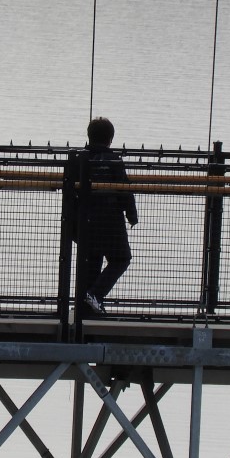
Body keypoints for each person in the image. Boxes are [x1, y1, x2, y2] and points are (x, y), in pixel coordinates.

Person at [79, 117, 138, 317]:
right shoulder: (114, 160)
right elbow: (124, 189)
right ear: (110, 139)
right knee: (122, 258)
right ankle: (95, 295)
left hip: (84, 220)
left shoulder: (80, 159)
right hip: (111, 220)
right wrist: (132, 215)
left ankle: (86, 307)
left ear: (89, 136)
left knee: (92, 260)